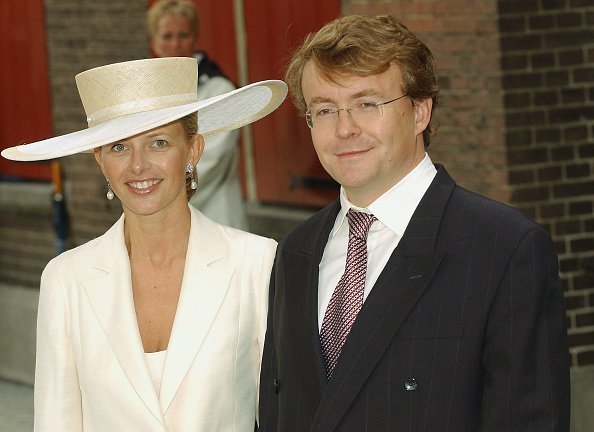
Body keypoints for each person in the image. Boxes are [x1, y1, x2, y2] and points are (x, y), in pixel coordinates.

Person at [258, 15, 570, 432]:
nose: (345, 129)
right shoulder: (295, 251)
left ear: (420, 111)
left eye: (367, 104)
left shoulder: (504, 248)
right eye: (326, 109)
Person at [2, 57, 287, 431]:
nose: (138, 166)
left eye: (158, 142)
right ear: (100, 161)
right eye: (119, 147)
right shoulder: (66, 279)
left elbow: (280, 417)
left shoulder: (256, 262)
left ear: (193, 150)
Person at [147, 0, 249, 230]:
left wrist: (154, 197)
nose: (175, 44)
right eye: (167, 36)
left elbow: (209, 162)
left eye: (183, 35)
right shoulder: (147, 96)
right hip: (165, 223)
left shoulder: (220, 91)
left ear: (194, 38)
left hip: (216, 219)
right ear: (154, 41)